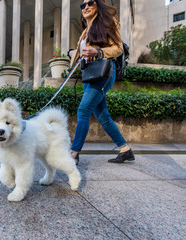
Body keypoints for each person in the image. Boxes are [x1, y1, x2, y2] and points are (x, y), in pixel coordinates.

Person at [68, 0, 135, 164]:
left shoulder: (107, 24)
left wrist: (98, 52)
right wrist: (73, 53)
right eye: (82, 5)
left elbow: (118, 48)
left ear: (98, 4)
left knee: (83, 109)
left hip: (104, 73)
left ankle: (73, 153)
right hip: (88, 75)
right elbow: (81, 52)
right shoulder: (84, 32)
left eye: (90, 3)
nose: (86, 7)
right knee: (103, 116)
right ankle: (125, 150)